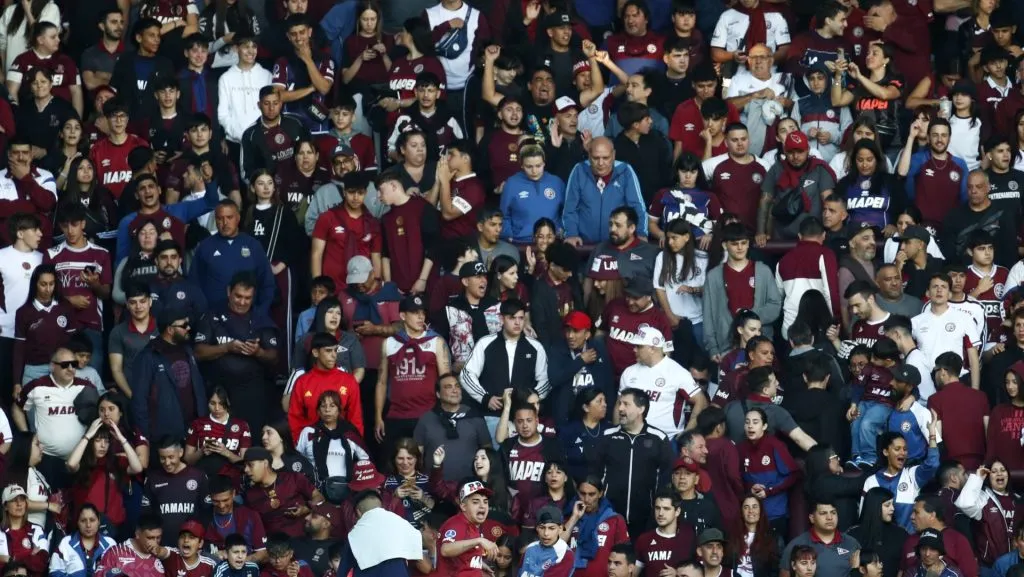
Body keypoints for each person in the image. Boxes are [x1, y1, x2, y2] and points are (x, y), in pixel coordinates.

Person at [590, 388, 674, 537]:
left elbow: (666, 479)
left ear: (641, 409)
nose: (620, 408)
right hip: (608, 516)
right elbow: (595, 474)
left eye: (626, 404)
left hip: (646, 520)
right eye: (620, 403)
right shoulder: (607, 436)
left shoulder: (658, 439)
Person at [375, 294, 450, 448]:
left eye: (423, 312)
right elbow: (381, 382)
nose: (421, 317)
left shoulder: (436, 341)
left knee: (429, 460)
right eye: (415, 313)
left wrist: (447, 413)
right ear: (403, 316)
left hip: (428, 414)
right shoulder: (389, 343)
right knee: (394, 460)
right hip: (396, 415)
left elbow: (446, 380)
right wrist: (378, 417)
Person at [131, 307, 206, 441]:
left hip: (195, 429)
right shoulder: (148, 356)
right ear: (170, 330)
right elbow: (139, 400)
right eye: (184, 325)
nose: (188, 328)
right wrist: (145, 437)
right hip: (164, 437)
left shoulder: (187, 349)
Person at [190, 201, 276, 315]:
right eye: (220, 218)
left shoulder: (253, 245)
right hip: (213, 317)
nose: (225, 223)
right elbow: (194, 285)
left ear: (238, 218)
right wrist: (203, 314)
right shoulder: (205, 247)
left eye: (229, 217)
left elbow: (267, 283)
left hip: (248, 317)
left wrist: (260, 312)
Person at [620, 326, 707, 436]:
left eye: (639, 346)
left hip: (667, 439)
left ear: (652, 348)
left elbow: (701, 401)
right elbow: (619, 404)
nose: (634, 349)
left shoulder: (677, 372)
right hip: (631, 437)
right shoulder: (629, 372)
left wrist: (686, 433)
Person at [562, 138, 648, 246]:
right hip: (584, 245)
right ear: (589, 155)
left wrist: (641, 233)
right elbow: (570, 208)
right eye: (596, 158)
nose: (601, 163)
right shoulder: (579, 170)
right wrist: (571, 234)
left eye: (606, 158)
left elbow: (637, 206)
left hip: (618, 245)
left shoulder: (625, 171)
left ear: (613, 155)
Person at [295, 390, 371, 504]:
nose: (327, 410)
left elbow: (365, 461)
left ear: (339, 410)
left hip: (346, 491)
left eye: (332, 406)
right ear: (318, 411)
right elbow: (298, 460)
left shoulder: (349, 433)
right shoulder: (309, 432)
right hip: (316, 492)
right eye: (323, 406)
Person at [288, 332, 363, 440]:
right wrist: (299, 444)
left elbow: (355, 419)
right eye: (328, 351)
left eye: (335, 350)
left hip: (342, 443)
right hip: (311, 443)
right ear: (315, 352)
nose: (334, 355)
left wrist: (355, 444)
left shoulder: (349, 381)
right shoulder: (302, 382)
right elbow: (295, 418)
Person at [861, 430, 939, 533]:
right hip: (880, 539)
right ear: (886, 452)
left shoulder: (911, 475)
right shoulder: (871, 481)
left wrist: (932, 435)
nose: (902, 452)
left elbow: (933, 464)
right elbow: (864, 516)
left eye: (905, 449)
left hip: (908, 539)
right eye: (897, 449)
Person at [738, 407, 798, 538]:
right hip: (751, 517)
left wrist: (770, 491)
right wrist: (750, 487)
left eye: (755, 422)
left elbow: (793, 475)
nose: (750, 426)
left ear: (764, 426)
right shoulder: (741, 448)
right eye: (747, 422)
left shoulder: (775, 445)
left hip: (775, 514)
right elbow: (739, 478)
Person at [898, 119, 970, 229]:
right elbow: (902, 172)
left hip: (950, 228)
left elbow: (965, 200)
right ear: (928, 138)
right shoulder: (919, 159)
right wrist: (911, 137)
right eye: (935, 135)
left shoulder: (960, 164)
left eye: (944, 135)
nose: (939, 140)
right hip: (922, 228)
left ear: (949, 138)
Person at [243, 447, 323, 539]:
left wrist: (306, 508)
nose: (246, 470)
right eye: (245, 466)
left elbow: (319, 497)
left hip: (302, 540)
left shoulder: (293, 479)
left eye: (250, 465)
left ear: (265, 463)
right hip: (273, 544)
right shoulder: (250, 495)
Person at [927, 352, 989, 470]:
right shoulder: (981, 396)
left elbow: (937, 435)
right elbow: (988, 433)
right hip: (979, 463)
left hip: (951, 467)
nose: (935, 375)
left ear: (943, 372)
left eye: (936, 371)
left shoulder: (935, 400)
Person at [142, 436, 209, 545]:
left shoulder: (198, 476)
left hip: (191, 546)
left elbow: (207, 512)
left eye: (171, 457)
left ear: (181, 452)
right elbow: (147, 514)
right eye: (162, 458)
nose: (167, 462)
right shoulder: (152, 478)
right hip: (162, 546)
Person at [500, 144, 565, 244]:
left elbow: (567, 212)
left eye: (538, 166)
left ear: (544, 163)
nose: (534, 171)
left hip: (551, 242)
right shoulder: (511, 183)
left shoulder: (556, 182)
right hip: (521, 242)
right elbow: (503, 215)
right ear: (522, 165)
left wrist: (561, 230)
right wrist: (508, 235)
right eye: (529, 166)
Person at [779, 500, 861, 577]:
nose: (829, 517)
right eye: (823, 513)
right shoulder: (797, 545)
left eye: (833, 512)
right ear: (812, 518)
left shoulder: (852, 543)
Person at [437, 480, 499, 577]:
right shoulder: (457, 524)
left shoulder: (472, 524)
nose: (482, 506)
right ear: (463, 506)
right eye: (475, 502)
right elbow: (446, 550)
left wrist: (479, 564)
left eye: (485, 502)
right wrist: (479, 540)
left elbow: (462, 556)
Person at [633, 492, 697, 577]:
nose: (660, 513)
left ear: (677, 511)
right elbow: (633, 574)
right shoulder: (644, 539)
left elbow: (700, 572)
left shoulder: (689, 538)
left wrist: (678, 574)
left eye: (666, 509)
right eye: (657, 508)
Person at [205, 477, 268, 561]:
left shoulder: (250, 516)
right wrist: (212, 555)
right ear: (210, 497)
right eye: (216, 501)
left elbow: (263, 554)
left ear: (233, 494)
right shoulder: (202, 517)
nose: (221, 505)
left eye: (225, 500)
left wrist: (236, 562)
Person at [48, 503, 117, 577]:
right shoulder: (66, 543)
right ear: (78, 522)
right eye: (83, 521)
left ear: (99, 521)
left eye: (92, 520)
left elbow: (117, 571)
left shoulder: (110, 544)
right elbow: (54, 572)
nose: (88, 525)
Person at [95, 513, 167, 577]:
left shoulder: (163, 555)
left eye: (158, 537)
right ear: (137, 534)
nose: (154, 542)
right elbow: (99, 574)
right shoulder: (115, 552)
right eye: (150, 538)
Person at [519, 505, 575, 577]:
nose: (546, 533)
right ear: (537, 528)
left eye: (551, 528)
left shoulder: (564, 553)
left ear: (560, 529)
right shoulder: (530, 548)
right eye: (542, 528)